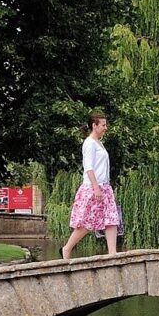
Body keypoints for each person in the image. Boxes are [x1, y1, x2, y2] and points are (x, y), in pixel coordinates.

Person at [62, 111, 119, 259]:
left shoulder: (99, 143)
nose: (106, 128)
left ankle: (113, 253)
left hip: (105, 187)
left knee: (111, 219)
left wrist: (103, 187)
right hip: (94, 187)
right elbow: (89, 168)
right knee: (87, 222)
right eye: (103, 125)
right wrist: (96, 188)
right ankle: (67, 249)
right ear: (94, 125)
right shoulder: (89, 143)